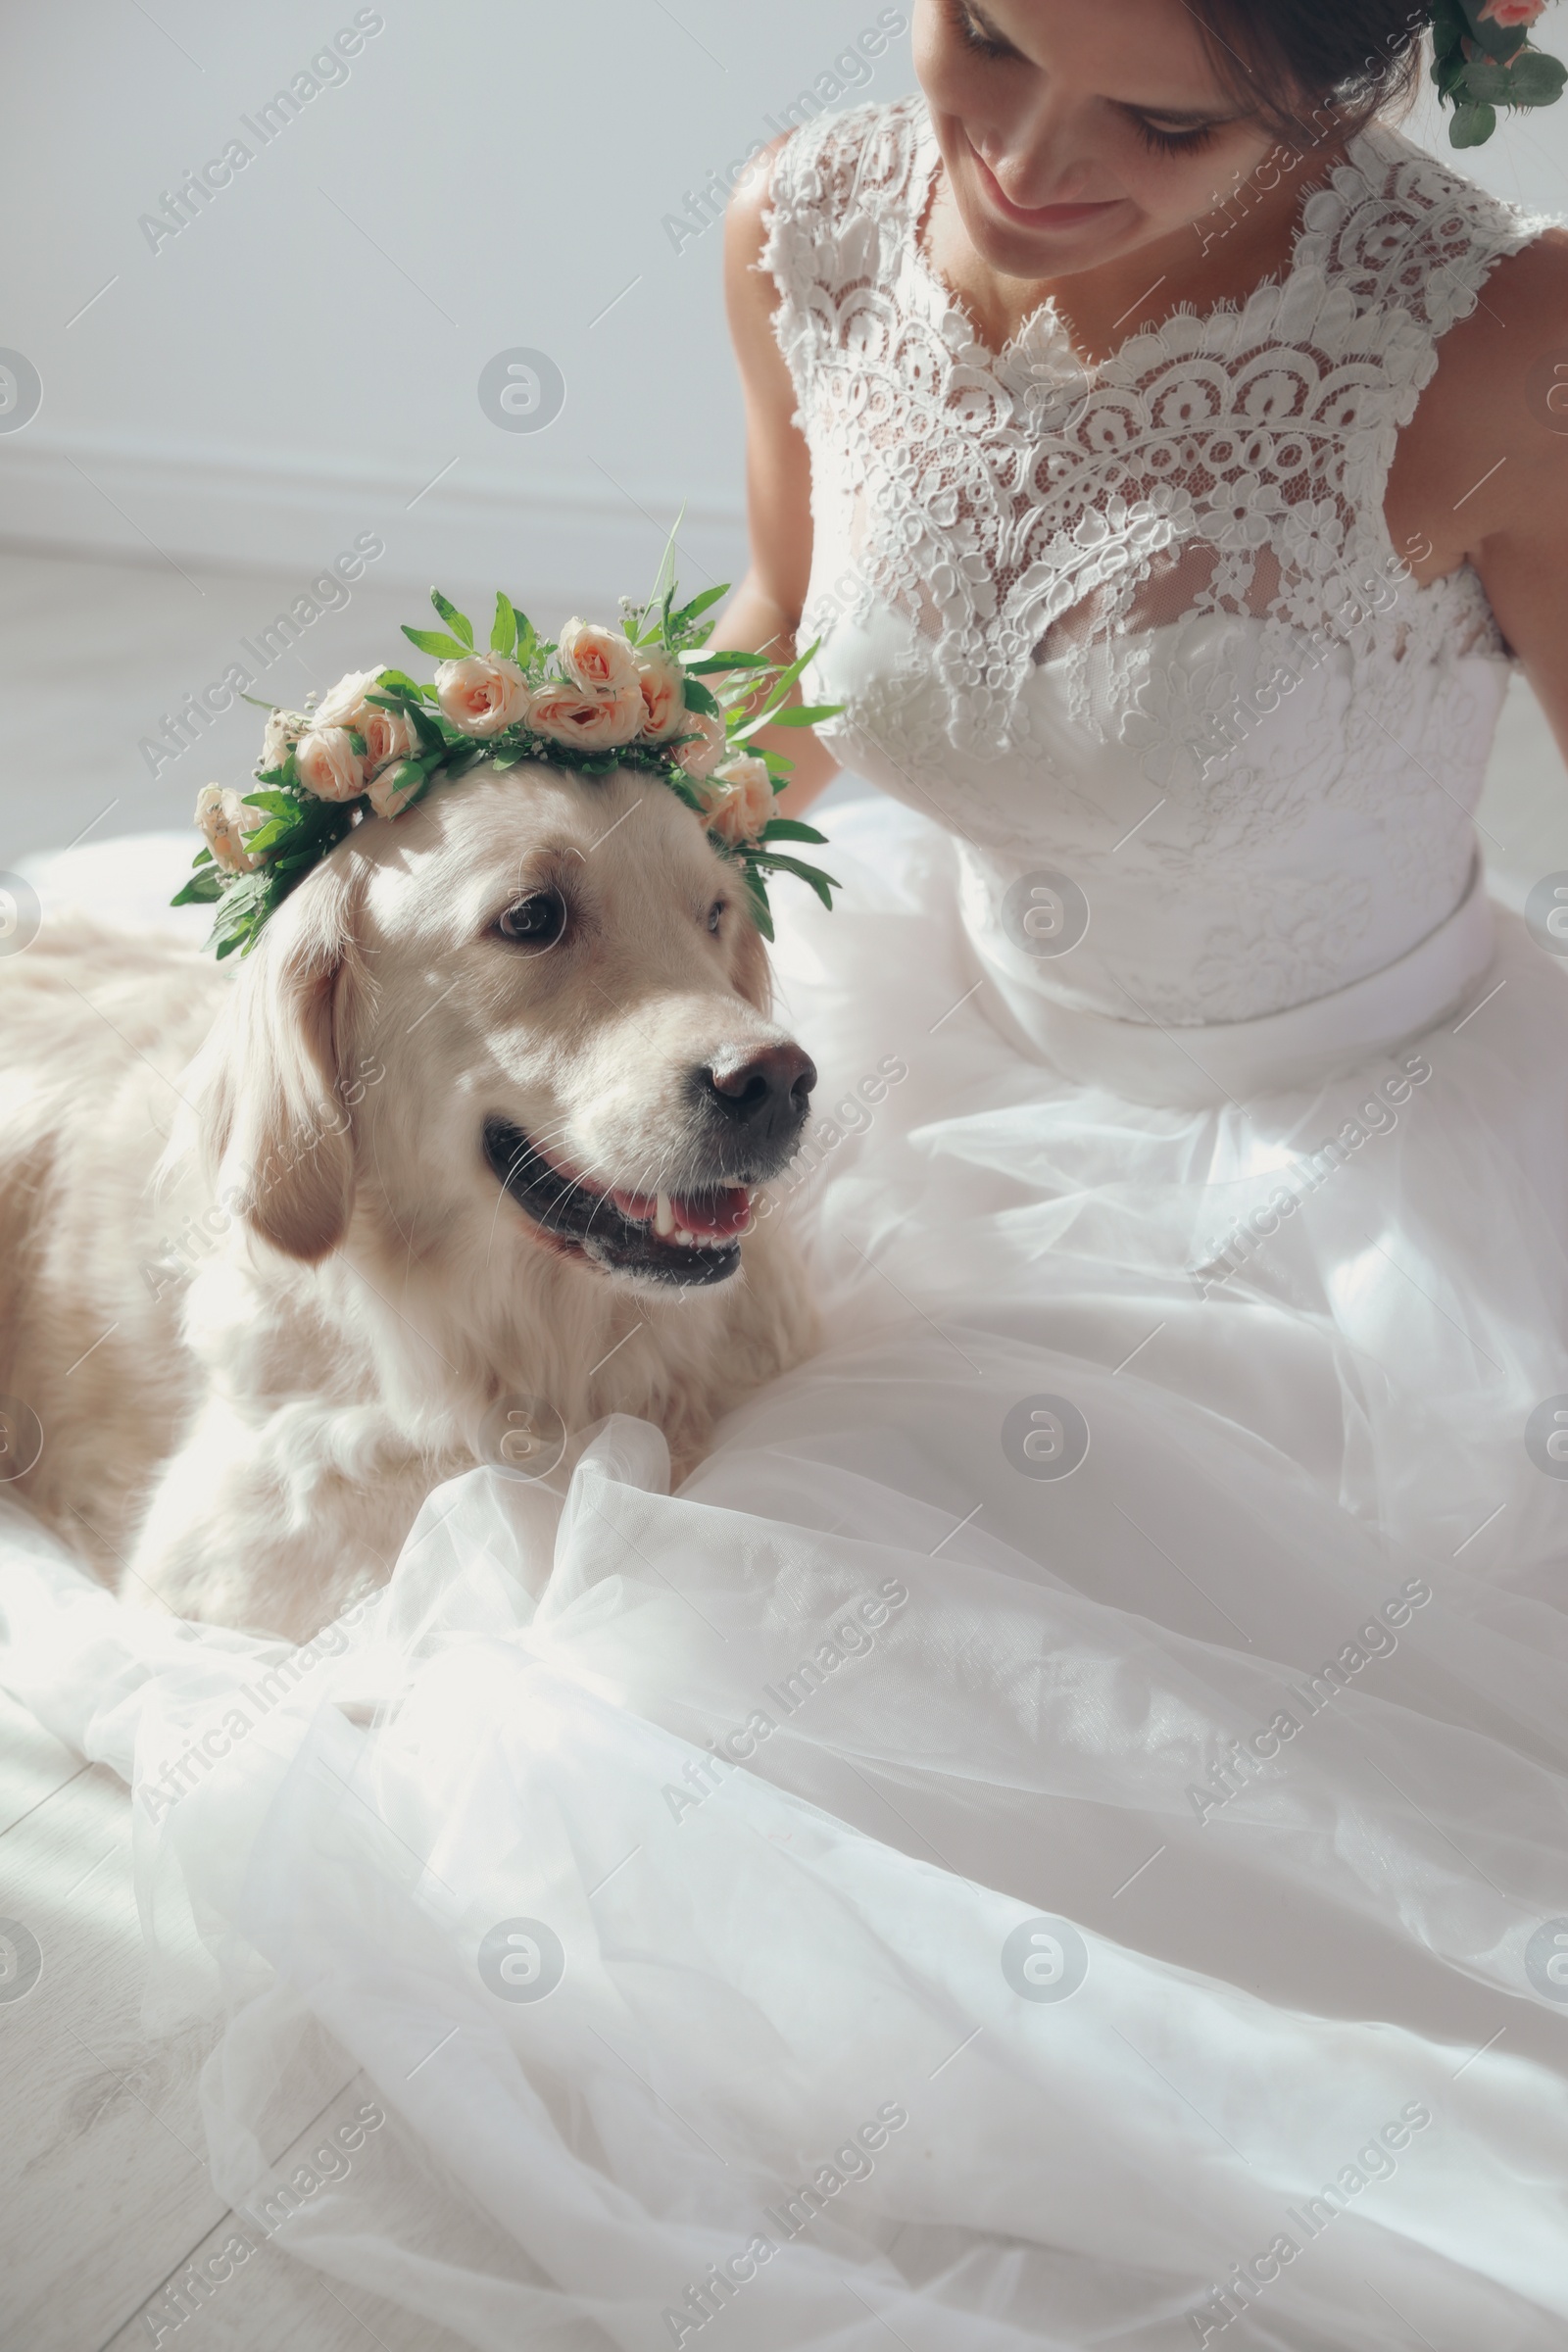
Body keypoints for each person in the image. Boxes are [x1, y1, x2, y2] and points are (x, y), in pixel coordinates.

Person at [5, 7, 1568, 2346]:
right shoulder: (808, 219)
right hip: (918, 1039)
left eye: (1154, 121)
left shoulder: (1501, 342)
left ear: (1351, 81)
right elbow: (789, 674)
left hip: (1336, 1156)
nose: (1025, 161)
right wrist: (500, 803)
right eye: (987, 42)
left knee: (951, 1728)